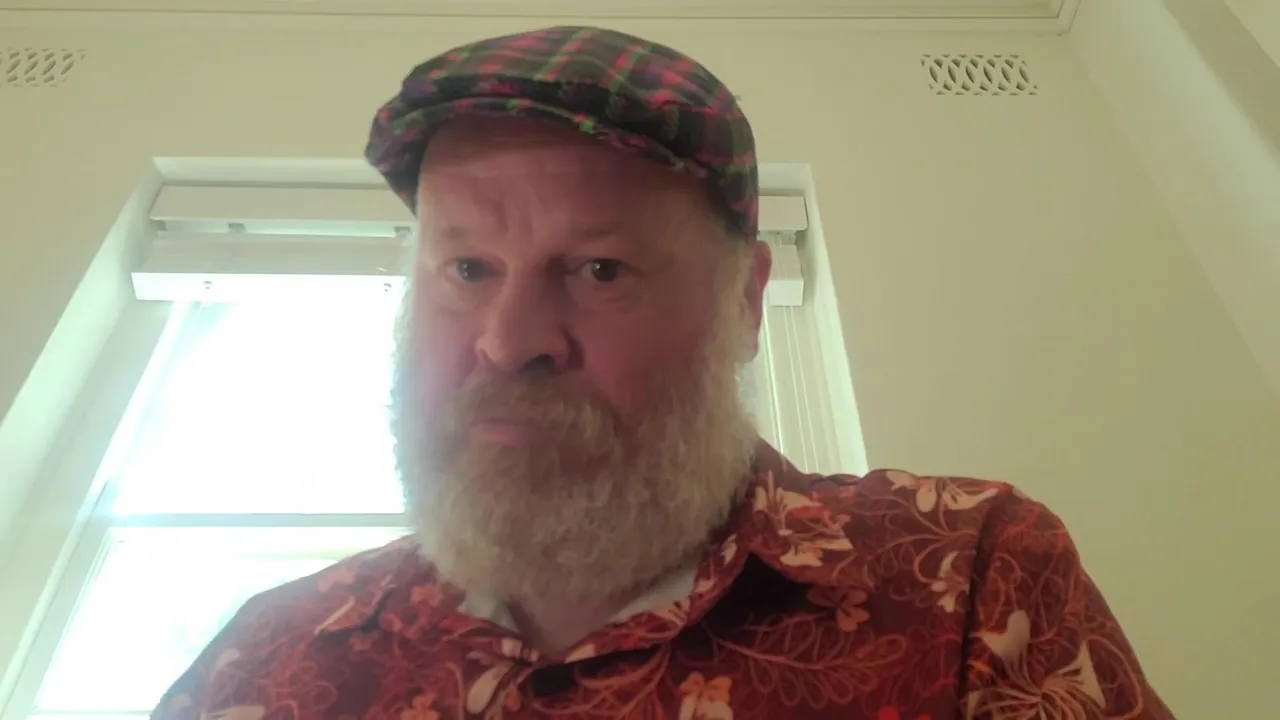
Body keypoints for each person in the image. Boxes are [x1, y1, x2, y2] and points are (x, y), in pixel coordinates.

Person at [152, 26, 1172, 720]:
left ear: (744, 302)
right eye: (466, 269)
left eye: (599, 270)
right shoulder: (268, 656)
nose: (509, 340)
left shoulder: (971, 580)